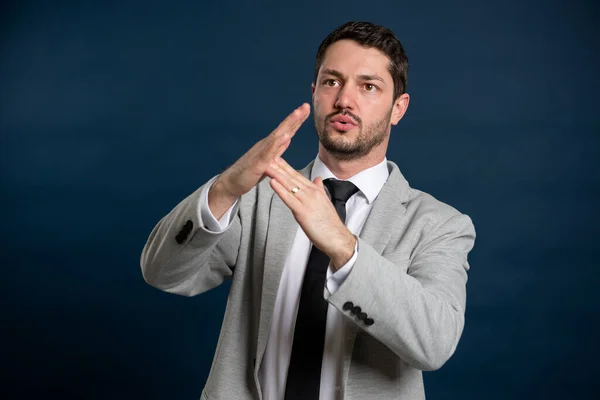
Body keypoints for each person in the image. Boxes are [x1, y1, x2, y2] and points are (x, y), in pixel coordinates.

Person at [140, 21, 476, 400]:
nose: (345, 100)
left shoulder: (439, 224)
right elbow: (162, 273)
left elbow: (434, 343)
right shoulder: (257, 196)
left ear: (398, 108)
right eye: (332, 81)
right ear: (314, 92)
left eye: (368, 86)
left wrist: (343, 246)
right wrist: (225, 189)